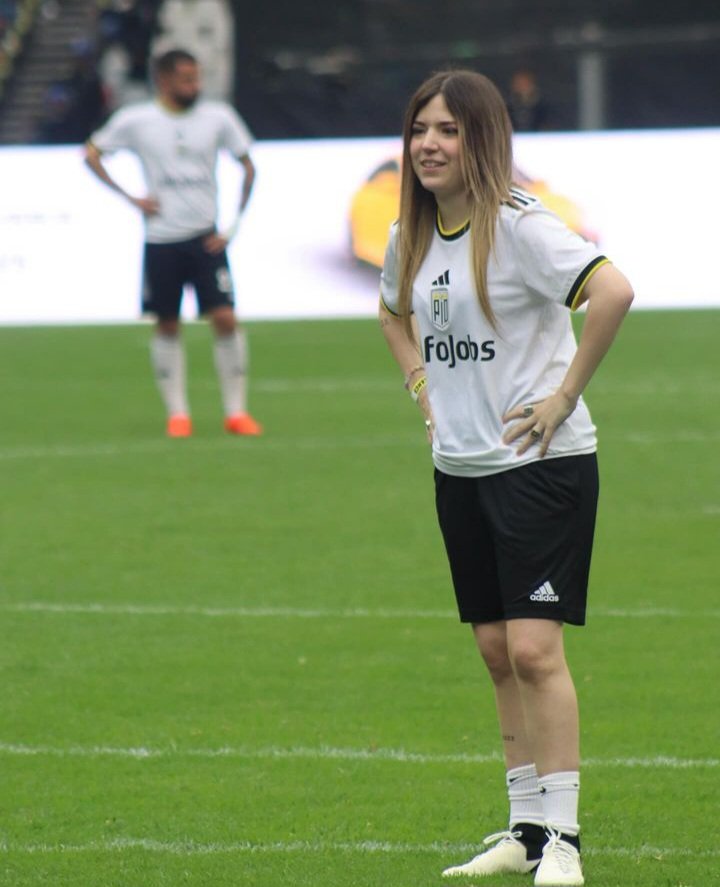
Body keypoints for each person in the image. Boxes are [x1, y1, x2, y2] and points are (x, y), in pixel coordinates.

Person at [379, 70, 633, 887]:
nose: (429, 144)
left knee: (532, 648)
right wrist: (421, 382)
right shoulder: (410, 232)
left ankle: (565, 839)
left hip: (543, 467)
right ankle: (525, 828)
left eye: (448, 130)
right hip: (459, 468)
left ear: (482, 139)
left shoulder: (520, 225)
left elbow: (612, 291)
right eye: (421, 129)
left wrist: (564, 395)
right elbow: (391, 310)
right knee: (495, 649)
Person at [84, 47, 261, 437]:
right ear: (163, 81)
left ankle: (236, 412)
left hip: (206, 239)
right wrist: (131, 198)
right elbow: (92, 153)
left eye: (197, 77)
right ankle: (178, 414)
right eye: (186, 79)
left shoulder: (218, 117)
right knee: (167, 324)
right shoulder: (137, 120)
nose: (195, 85)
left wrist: (233, 226)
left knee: (225, 318)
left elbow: (248, 165)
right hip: (161, 239)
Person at [508, 68, 550, 132]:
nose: (521, 86)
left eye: (524, 83)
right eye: (519, 83)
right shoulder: (508, 107)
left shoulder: (543, 107)